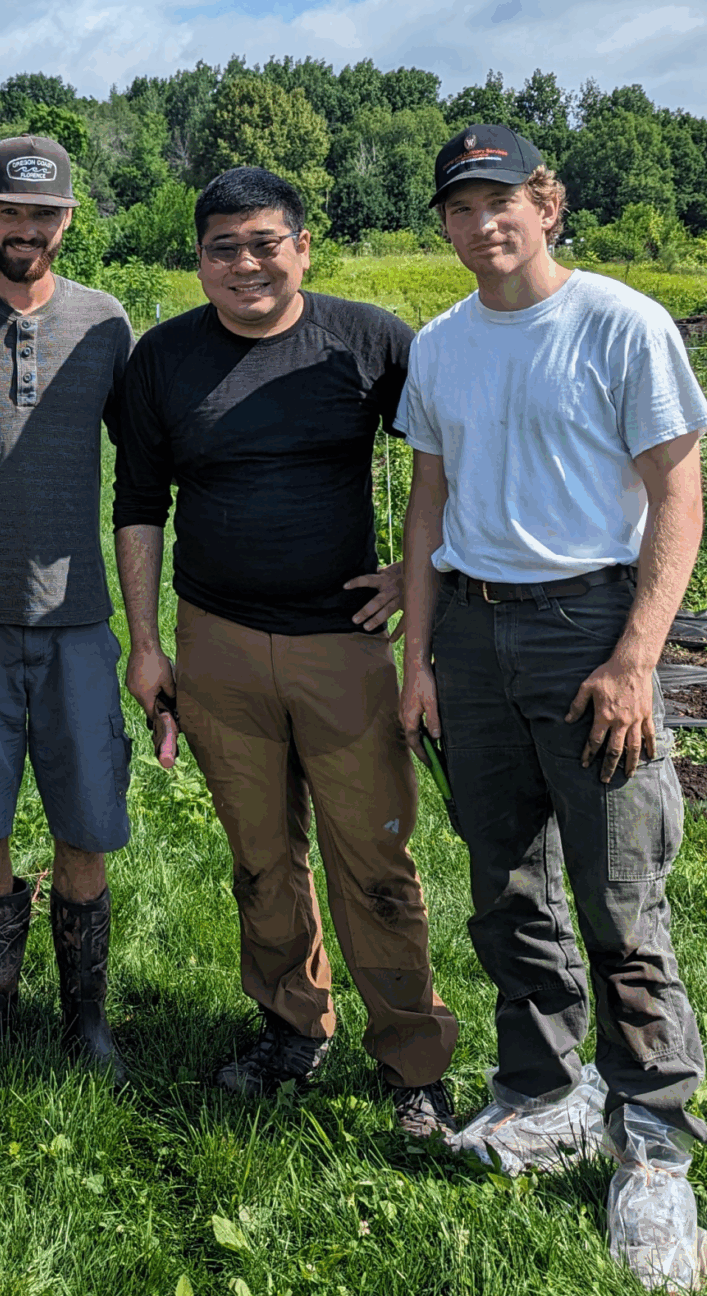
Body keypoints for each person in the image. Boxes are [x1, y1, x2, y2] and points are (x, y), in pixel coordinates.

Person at [113, 166, 460, 1138]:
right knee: (261, 858)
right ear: (198, 261)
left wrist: (411, 569)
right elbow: (139, 505)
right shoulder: (162, 360)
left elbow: (452, 456)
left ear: (303, 247)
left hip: (342, 646)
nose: (245, 264)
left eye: (265, 242)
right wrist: (145, 646)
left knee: (377, 858)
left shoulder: (371, 341)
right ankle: (291, 1027)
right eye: (222, 247)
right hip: (215, 640)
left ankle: (413, 1065)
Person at [396, 125, 707, 1155]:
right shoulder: (441, 345)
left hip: (588, 626)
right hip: (471, 630)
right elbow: (425, 506)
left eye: (500, 200)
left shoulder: (620, 323)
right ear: (443, 224)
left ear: (546, 204)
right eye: (459, 206)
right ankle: (539, 1087)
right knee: (505, 885)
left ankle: (653, 1121)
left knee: (619, 895)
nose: (482, 222)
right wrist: (417, 661)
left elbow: (678, 498)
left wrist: (634, 661)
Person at [0, 134, 135, 1079]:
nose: (25, 229)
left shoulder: (106, 326)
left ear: (68, 220)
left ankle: (86, 1016)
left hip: (77, 620)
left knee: (87, 819)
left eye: (42, 214)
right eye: (8, 211)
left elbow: (149, 467)